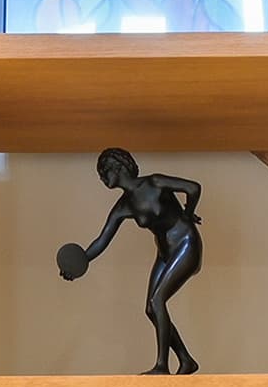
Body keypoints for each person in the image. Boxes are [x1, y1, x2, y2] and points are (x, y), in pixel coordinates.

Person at [57, 148, 205, 375]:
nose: (102, 178)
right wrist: (81, 261)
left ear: (117, 167)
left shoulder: (155, 182)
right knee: (151, 308)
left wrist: (187, 213)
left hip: (186, 244)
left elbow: (193, 188)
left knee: (157, 302)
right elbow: (102, 239)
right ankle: (186, 360)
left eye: (103, 171)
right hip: (165, 253)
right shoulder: (123, 206)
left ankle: (162, 366)